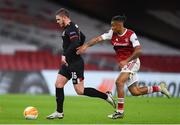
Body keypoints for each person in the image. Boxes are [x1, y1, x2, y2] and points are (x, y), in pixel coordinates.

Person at [76, 15, 171, 119]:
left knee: (119, 82)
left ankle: (120, 112)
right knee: (135, 91)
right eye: (111, 26)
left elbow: (139, 51)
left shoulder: (130, 34)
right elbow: (98, 39)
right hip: (126, 65)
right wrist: (85, 46)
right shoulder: (111, 33)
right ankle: (159, 88)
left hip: (133, 62)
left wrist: (126, 60)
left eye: (113, 26)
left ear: (120, 25)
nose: (111, 28)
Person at [46, 8, 116, 119]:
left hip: (75, 64)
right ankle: (59, 112)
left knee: (80, 91)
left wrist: (65, 54)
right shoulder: (72, 27)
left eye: (58, 19)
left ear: (64, 17)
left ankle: (106, 96)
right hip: (68, 64)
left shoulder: (71, 29)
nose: (57, 22)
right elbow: (82, 37)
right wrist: (81, 47)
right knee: (58, 84)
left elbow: (75, 43)